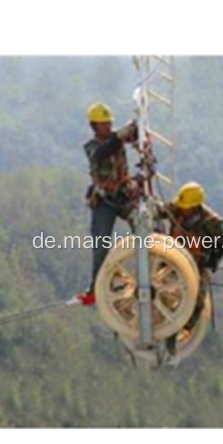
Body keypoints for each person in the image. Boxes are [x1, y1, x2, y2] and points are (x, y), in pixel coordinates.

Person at [77, 102, 139, 305]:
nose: (107, 127)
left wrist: (136, 125)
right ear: (94, 126)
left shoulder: (116, 139)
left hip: (124, 195)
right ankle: (98, 286)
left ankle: (159, 267)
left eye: (109, 123)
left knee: (145, 229)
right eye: (103, 124)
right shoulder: (93, 147)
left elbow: (134, 135)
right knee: (101, 244)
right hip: (104, 199)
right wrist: (121, 135)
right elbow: (104, 151)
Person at [158, 182, 223, 357]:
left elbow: (219, 246)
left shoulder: (212, 222)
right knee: (162, 291)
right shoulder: (176, 209)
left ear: (196, 207)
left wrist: (212, 262)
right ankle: (164, 328)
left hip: (196, 264)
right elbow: (160, 211)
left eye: (187, 208)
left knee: (197, 298)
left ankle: (183, 328)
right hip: (171, 260)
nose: (183, 210)